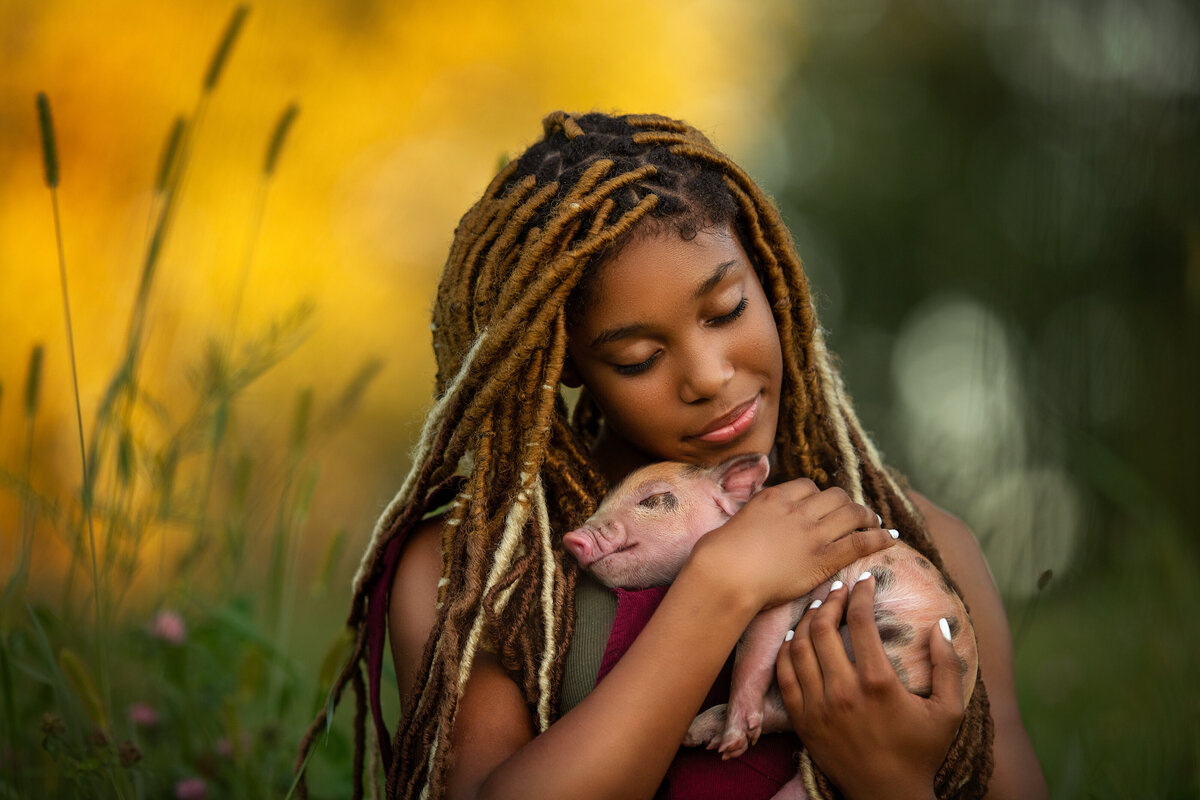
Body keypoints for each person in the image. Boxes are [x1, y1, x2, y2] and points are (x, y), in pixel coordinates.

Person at [296, 111, 1047, 800]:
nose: (709, 376)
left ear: (773, 278)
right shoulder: (484, 572)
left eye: (727, 311)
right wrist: (720, 587)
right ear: (565, 364)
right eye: (638, 357)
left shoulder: (924, 550)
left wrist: (892, 783)